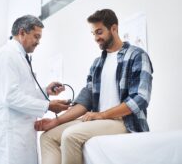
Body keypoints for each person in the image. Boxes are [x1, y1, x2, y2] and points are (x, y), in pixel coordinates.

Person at [34, 9, 154, 164]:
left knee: (70, 136)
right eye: (93, 34)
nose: (96, 38)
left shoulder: (137, 55)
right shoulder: (97, 64)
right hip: (99, 120)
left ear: (114, 28)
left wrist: (102, 115)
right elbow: (86, 100)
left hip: (125, 122)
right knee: (47, 137)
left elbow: (140, 99)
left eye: (99, 32)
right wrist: (54, 122)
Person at [0, 15, 70, 164]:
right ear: (22, 32)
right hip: (9, 135)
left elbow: (22, 94)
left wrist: (46, 92)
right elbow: (10, 97)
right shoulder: (7, 55)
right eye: (36, 36)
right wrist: (49, 106)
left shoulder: (20, 56)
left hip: (20, 132)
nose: (38, 42)